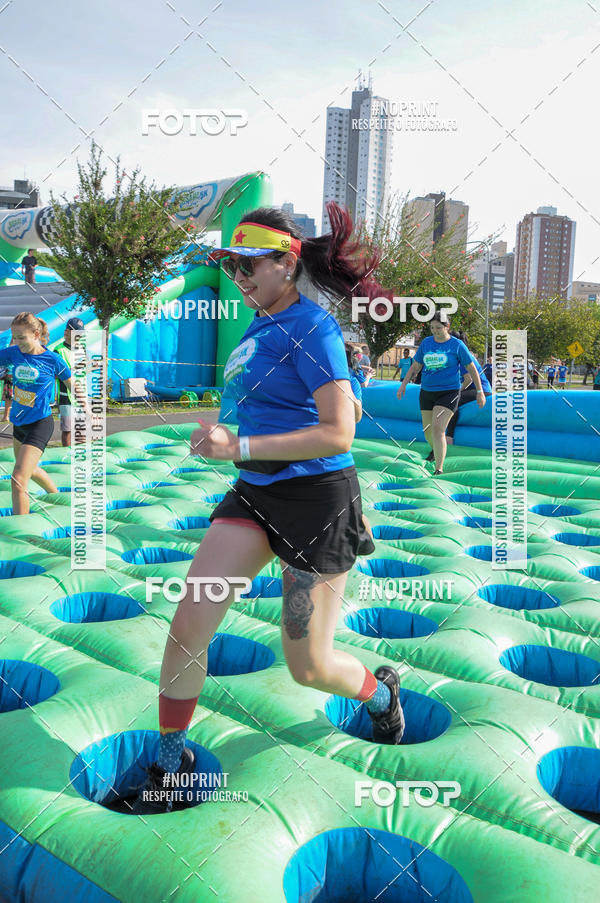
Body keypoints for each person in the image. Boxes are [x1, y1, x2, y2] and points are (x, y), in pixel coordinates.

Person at [131, 203, 404, 816]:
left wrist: (241, 445)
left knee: (308, 666)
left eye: (250, 265)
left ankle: (379, 693)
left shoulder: (313, 327)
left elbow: (339, 433)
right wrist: (224, 441)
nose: (240, 278)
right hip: (255, 494)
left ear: (286, 262)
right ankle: (171, 759)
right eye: (232, 268)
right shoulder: (260, 326)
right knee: (189, 621)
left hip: (317, 501)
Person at [0, 312, 88, 515]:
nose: (18, 342)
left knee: (18, 479)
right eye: (15, 337)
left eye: (22, 337)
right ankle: (57, 495)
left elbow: (72, 384)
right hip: (19, 423)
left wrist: (88, 409)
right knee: (30, 470)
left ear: (36, 334)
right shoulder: (13, 353)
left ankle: (21, 532)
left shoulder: (52, 359)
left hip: (40, 423)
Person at [396, 314, 485, 475]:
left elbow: (471, 369)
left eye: (439, 328)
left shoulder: (456, 345)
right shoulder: (427, 343)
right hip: (427, 392)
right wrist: (403, 385)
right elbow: (416, 366)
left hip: (448, 392)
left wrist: (480, 392)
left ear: (447, 327)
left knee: (438, 428)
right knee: (427, 430)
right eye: (432, 328)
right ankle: (436, 448)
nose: (435, 331)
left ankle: (439, 468)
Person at [445, 357, 492, 447]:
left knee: (453, 401)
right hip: (472, 389)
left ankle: (449, 436)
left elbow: (468, 380)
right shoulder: (455, 360)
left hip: (482, 390)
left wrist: (457, 391)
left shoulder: (464, 357)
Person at [54, 317, 85, 446]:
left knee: (81, 430)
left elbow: (83, 371)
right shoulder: (58, 350)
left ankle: (81, 454)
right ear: (67, 332)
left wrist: (91, 366)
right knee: (67, 429)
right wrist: (77, 367)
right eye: (76, 333)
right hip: (66, 396)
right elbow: (56, 375)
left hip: (81, 394)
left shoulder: (81, 349)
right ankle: (66, 457)